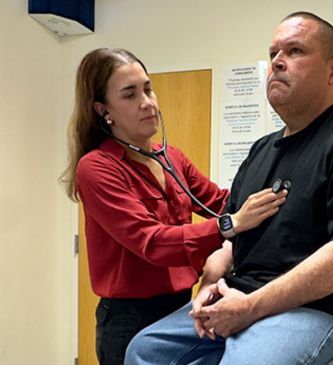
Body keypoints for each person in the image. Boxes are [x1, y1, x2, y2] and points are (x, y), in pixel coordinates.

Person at [125, 11, 333, 365]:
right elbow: (233, 243)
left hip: (324, 306)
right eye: (273, 54)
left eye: (295, 51)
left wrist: (251, 307)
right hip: (242, 295)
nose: (278, 63)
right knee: (145, 351)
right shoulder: (261, 151)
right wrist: (208, 283)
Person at [59, 48, 287, 365]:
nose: (147, 102)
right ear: (103, 110)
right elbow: (152, 242)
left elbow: (221, 201)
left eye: (147, 89)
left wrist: (280, 192)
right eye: (130, 94)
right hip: (129, 319)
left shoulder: (171, 158)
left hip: (180, 305)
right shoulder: (97, 168)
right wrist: (231, 224)